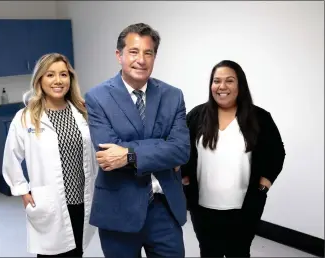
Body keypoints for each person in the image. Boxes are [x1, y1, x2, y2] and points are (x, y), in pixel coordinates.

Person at [84, 23, 190, 257]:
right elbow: (107, 154)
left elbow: (181, 150)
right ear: (119, 55)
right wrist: (161, 148)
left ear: (154, 57)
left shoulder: (173, 96)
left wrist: (129, 155)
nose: (141, 60)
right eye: (133, 52)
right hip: (118, 209)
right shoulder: (97, 97)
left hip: (164, 209)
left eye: (148, 53)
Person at [181, 60, 286, 257]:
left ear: (240, 85)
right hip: (203, 207)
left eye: (229, 81)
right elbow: (181, 148)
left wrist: (264, 185)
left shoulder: (259, 117)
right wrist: (185, 178)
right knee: (208, 251)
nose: (222, 87)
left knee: (238, 252)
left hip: (244, 208)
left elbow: (277, 152)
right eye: (216, 81)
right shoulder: (197, 115)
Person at [2, 53, 98, 257]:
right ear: (40, 80)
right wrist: (22, 190)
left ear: (70, 79)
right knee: (50, 254)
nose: (58, 80)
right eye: (50, 75)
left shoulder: (82, 113)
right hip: (49, 202)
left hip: (81, 199)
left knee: (76, 252)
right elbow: (11, 157)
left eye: (63, 74)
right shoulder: (26, 117)